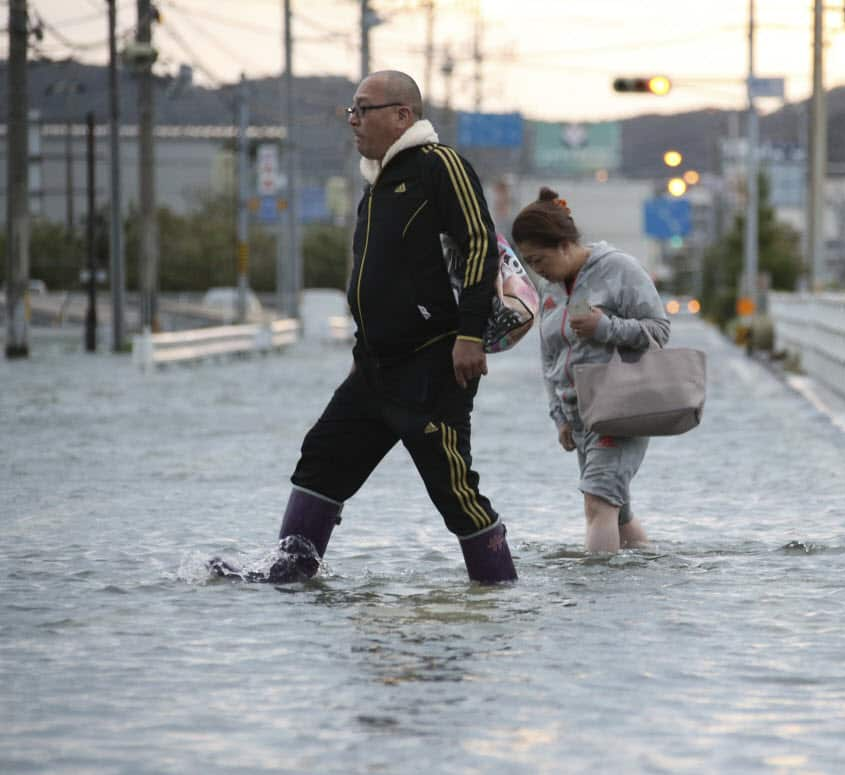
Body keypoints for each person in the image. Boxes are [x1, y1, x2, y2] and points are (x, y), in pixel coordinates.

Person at [211, 70, 516, 584]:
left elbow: (480, 244)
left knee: (454, 490)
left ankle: (499, 591)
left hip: (434, 362)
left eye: (363, 109)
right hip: (373, 367)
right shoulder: (375, 184)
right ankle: (290, 572)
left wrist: (468, 335)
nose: (353, 120)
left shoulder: (441, 166)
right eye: (350, 111)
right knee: (322, 457)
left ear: (403, 114)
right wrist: (362, 348)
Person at [511, 188, 671, 553]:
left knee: (598, 502)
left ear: (565, 245)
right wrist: (559, 417)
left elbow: (659, 331)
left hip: (620, 408)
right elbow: (548, 358)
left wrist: (606, 328)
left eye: (540, 260)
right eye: (529, 262)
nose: (537, 270)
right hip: (579, 415)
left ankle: (595, 593)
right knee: (617, 511)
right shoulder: (551, 289)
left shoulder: (619, 269)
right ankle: (645, 568)